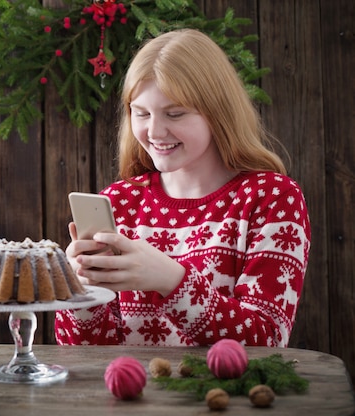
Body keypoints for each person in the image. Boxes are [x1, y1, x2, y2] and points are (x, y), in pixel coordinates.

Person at [55, 29, 310, 348]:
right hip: (133, 397)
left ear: (218, 112)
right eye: (142, 113)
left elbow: (266, 339)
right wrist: (80, 291)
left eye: (175, 113)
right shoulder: (119, 202)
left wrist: (170, 280)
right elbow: (83, 352)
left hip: (225, 396)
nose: (155, 131)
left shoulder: (271, 198)